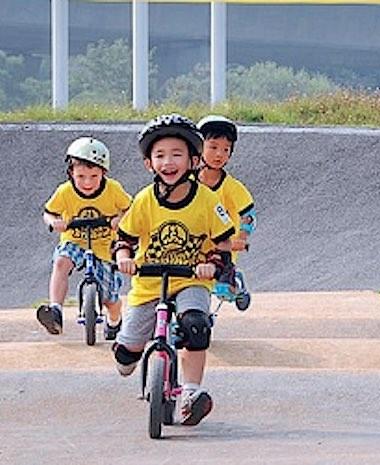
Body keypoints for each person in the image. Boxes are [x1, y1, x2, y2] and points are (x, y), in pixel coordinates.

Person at [112, 114, 235, 426]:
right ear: (149, 164)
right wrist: (124, 257)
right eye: (160, 155)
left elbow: (224, 243)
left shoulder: (207, 200)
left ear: (194, 160)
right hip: (148, 282)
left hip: (191, 280)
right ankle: (130, 352)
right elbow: (123, 238)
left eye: (177, 155)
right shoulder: (143, 200)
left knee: (196, 325)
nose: (168, 162)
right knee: (127, 356)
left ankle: (192, 394)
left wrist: (214, 265)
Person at [37, 137, 131, 339]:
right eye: (81, 176)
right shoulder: (65, 191)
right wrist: (54, 222)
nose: (87, 182)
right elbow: (48, 212)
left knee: (110, 299)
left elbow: (130, 209)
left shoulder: (113, 189)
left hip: (106, 245)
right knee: (61, 262)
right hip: (74, 240)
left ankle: (114, 320)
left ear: (103, 173)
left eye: (93, 176)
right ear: (71, 172)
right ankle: (56, 311)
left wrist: (119, 219)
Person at [196, 115, 256, 258]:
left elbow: (248, 216)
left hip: (222, 256)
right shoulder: (186, 183)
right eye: (213, 147)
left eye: (226, 149)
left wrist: (241, 238)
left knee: (224, 280)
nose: (219, 154)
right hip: (190, 255)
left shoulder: (233, 188)